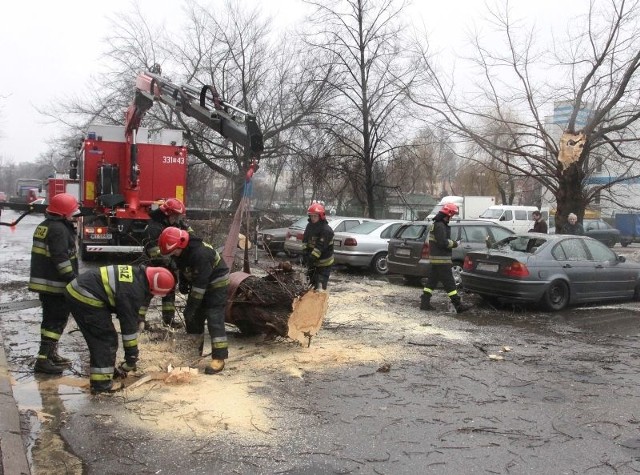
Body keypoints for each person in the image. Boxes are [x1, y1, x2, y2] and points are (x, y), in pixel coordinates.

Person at [64, 265, 174, 394]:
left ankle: (106, 371)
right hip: (84, 295)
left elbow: (143, 300)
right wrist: (131, 357)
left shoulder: (140, 275)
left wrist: (139, 318)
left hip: (81, 288)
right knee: (105, 339)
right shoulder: (132, 292)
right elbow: (128, 329)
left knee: (106, 337)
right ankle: (102, 385)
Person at [158, 227, 230, 375]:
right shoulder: (181, 251)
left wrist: (191, 306)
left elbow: (200, 286)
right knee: (193, 317)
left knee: (213, 317)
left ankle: (219, 358)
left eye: (173, 252)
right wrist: (184, 281)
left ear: (181, 244)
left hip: (216, 283)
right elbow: (185, 268)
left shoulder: (200, 254)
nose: (172, 255)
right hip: (200, 281)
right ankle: (193, 351)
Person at [28, 193, 80, 374]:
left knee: (51, 321)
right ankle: (44, 360)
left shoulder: (45, 226)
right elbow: (61, 259)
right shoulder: (59, 229)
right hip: (56, 285)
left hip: (47, 283)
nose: (74, 215)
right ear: (64, 213)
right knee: (55, 322)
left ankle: (50, 355)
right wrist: (73, 280)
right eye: (72, 211)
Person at [142, 198, 192, 328]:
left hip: (169, 264)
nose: (177, 219)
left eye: (178, 216)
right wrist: (171, 262)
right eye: (175, 216)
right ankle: (138, 319)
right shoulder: (154, 227)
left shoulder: (175, 223)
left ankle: (168, 320)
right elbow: (154, 251)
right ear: (167, 213)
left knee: (169, 291)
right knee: (148, 292)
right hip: (153, 265)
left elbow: (187, 234)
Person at [420, 203, 472, 314]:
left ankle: (424, 303)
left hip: (436, 260)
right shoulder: (440, 225)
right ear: (447, 215)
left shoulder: (437, 224)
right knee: (450, 283)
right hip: (442, 260)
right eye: (451, 216)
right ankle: (458, 305)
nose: (451, 218)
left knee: (431, 283)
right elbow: (443, 242)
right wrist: (455, 243)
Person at [302, 203, 334, 291]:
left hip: (324, 264)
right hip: (313, 262)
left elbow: (320, 247)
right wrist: (304, 252)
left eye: (315, 216)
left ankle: (320, 302)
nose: (312, 218)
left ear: (321, 216)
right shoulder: (309, 226)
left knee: (320, 288)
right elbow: (305, 240)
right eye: (311, 216)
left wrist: (311, 257)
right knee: (310, 285)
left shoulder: (326, 230)